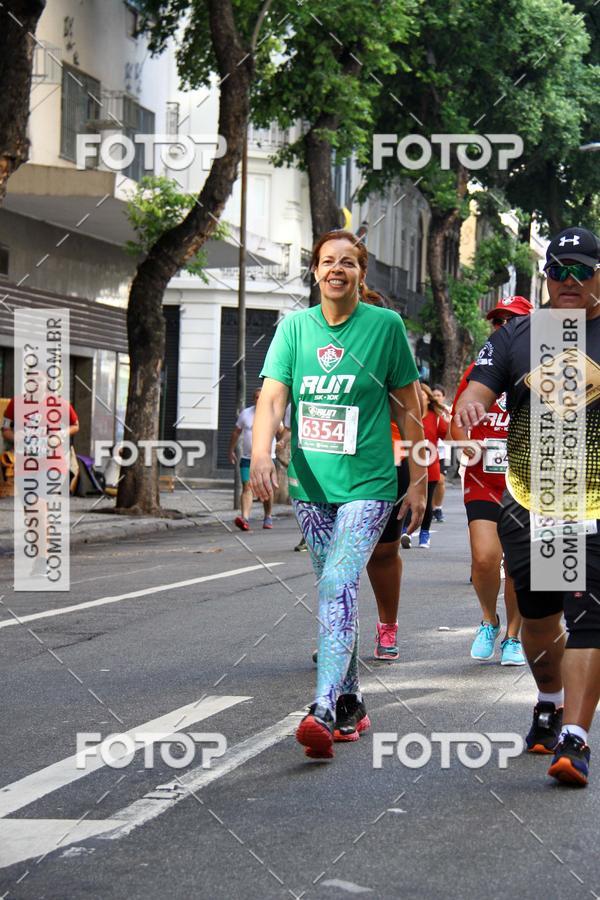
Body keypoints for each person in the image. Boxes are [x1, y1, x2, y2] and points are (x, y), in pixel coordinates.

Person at [250, 229, 426, 759]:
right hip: (310, 485)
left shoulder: (385, 327)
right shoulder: (295, 330)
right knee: (335, 590)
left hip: (369, 484)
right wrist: (261, 455)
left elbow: (409, 407)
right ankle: (351, 701)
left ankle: (323, 706)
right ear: (315, 271)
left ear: (361, 274)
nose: (337, 270)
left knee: (339, 580)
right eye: (328, 261)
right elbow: (273, 398)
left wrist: (418, 478)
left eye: (348, 262)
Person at [454, 226, 600, 786]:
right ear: (546, 276)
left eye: (581, 270)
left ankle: (577, 738)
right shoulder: (519, 333)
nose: (569, 281)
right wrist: (468, 410)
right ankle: (550, 700)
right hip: (531, 499)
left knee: (589, 617)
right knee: (541, 620)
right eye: (558, 270)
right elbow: (478, 387)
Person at [451, 296, 533, 667]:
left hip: (525, 483)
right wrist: (463, 440)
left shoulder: (542, 367)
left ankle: (513, 637)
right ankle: (489, 619)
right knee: (485, 558)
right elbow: (457, 417)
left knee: (518, 565)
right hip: (483, 479)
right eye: (497, 321)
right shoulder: (477, 370)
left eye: (511, 321)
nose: (502, 328)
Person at [3, 373, 79, 576]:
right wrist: (14, 435)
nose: (35, 383)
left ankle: (43, 559)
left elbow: (75, 424)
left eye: (40, 379)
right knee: (32, 513)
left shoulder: (60, 404)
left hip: (52, 465)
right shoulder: (16, 403)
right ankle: (42, 552)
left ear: (47, 382)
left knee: (38, 505)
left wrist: (62, 434)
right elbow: (5, 428)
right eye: (31, 379)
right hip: (26, 466)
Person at [401, 383, 449, 549]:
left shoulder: (435, 418)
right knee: (406, 500)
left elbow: (449, 437)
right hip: (409, 465)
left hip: (430, 467)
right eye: (416, 394)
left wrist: (452, 421)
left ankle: (424, 534)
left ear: (428, 399)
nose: (418, 397)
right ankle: (405, 532)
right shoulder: (406, 415)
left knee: (426, 503)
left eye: (422, 395)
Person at [228, 388, 281, 531]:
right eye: (256, 397)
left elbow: (282, 432)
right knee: (247, 487)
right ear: (253, 399)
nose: (258, 400)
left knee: (266, 489)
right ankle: (245, 518)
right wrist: (231, 450)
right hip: (247, 458)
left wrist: (282, 443)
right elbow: (236, 432)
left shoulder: (273, 413)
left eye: (261, 397)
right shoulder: (246, 414)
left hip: (267, 460)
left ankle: (268, 516)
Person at [431, 384, 451, 522]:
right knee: (429, 481)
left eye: (439, 395)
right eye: (434, 395)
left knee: (440, 481)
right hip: (428, 451)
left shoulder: (448, 411)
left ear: (443, 397)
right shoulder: (427, 411)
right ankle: (429, 508)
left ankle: (437, 507)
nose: (436, 398)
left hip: (444, 451)